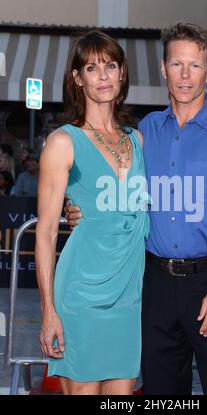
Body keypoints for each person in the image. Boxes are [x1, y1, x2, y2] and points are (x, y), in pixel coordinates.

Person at [66, 23, 207, 395]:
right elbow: (118, 193)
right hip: (153, 286)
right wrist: (79, 210)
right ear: (163, 68)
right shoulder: (145, 131)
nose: (185, 75)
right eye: (176, 64)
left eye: (194, 65)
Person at [35, 30, 149, 395]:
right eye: (91, 67)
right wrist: (49, 311)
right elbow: (46, 233)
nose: (103, 75)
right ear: (77, 77)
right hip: (81, 296)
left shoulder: (137, 139)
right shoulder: (63, 142)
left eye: (110, 65)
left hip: (127, 300)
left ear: (122, 73)